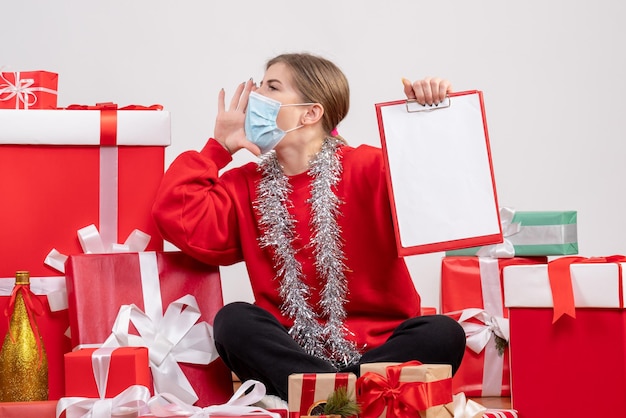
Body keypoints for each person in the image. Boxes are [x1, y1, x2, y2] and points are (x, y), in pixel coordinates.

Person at [152, 52, 466, 402]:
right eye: (257, 87)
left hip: (381, 345)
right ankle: (351, 393)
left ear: (310, 112)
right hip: (293, 352)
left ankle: (327, 393)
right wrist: (219, 148)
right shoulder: (244, 184)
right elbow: (175, 214)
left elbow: (439, 198)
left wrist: (427, 117)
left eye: (271, 87)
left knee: (444, 332)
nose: (255, 98)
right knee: (232, 321)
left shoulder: (371, 166)